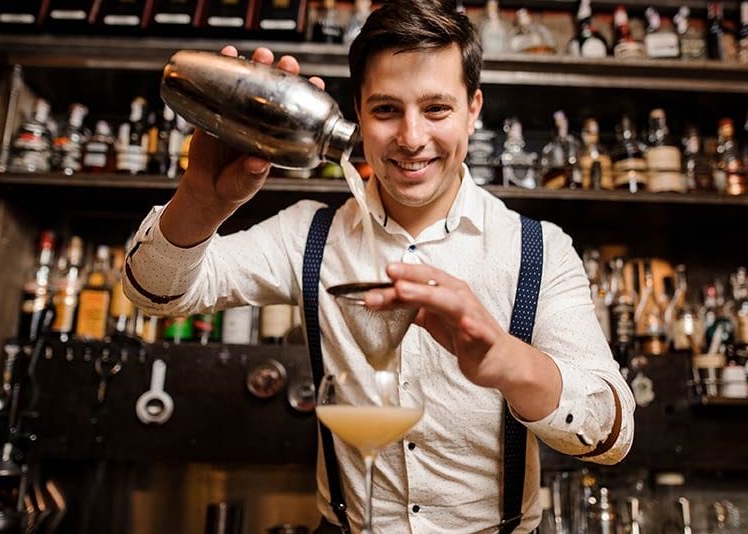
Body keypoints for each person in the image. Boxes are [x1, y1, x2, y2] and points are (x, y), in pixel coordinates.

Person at [123, 0, 634, 531]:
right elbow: (153, 293)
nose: (412, 138)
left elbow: (612, 434)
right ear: (358, 113)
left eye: (436, 108)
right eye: (387, 110)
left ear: (473, 108)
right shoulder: (309, 233)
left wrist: (505, 360)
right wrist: (201, 201)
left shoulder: (538, 250)